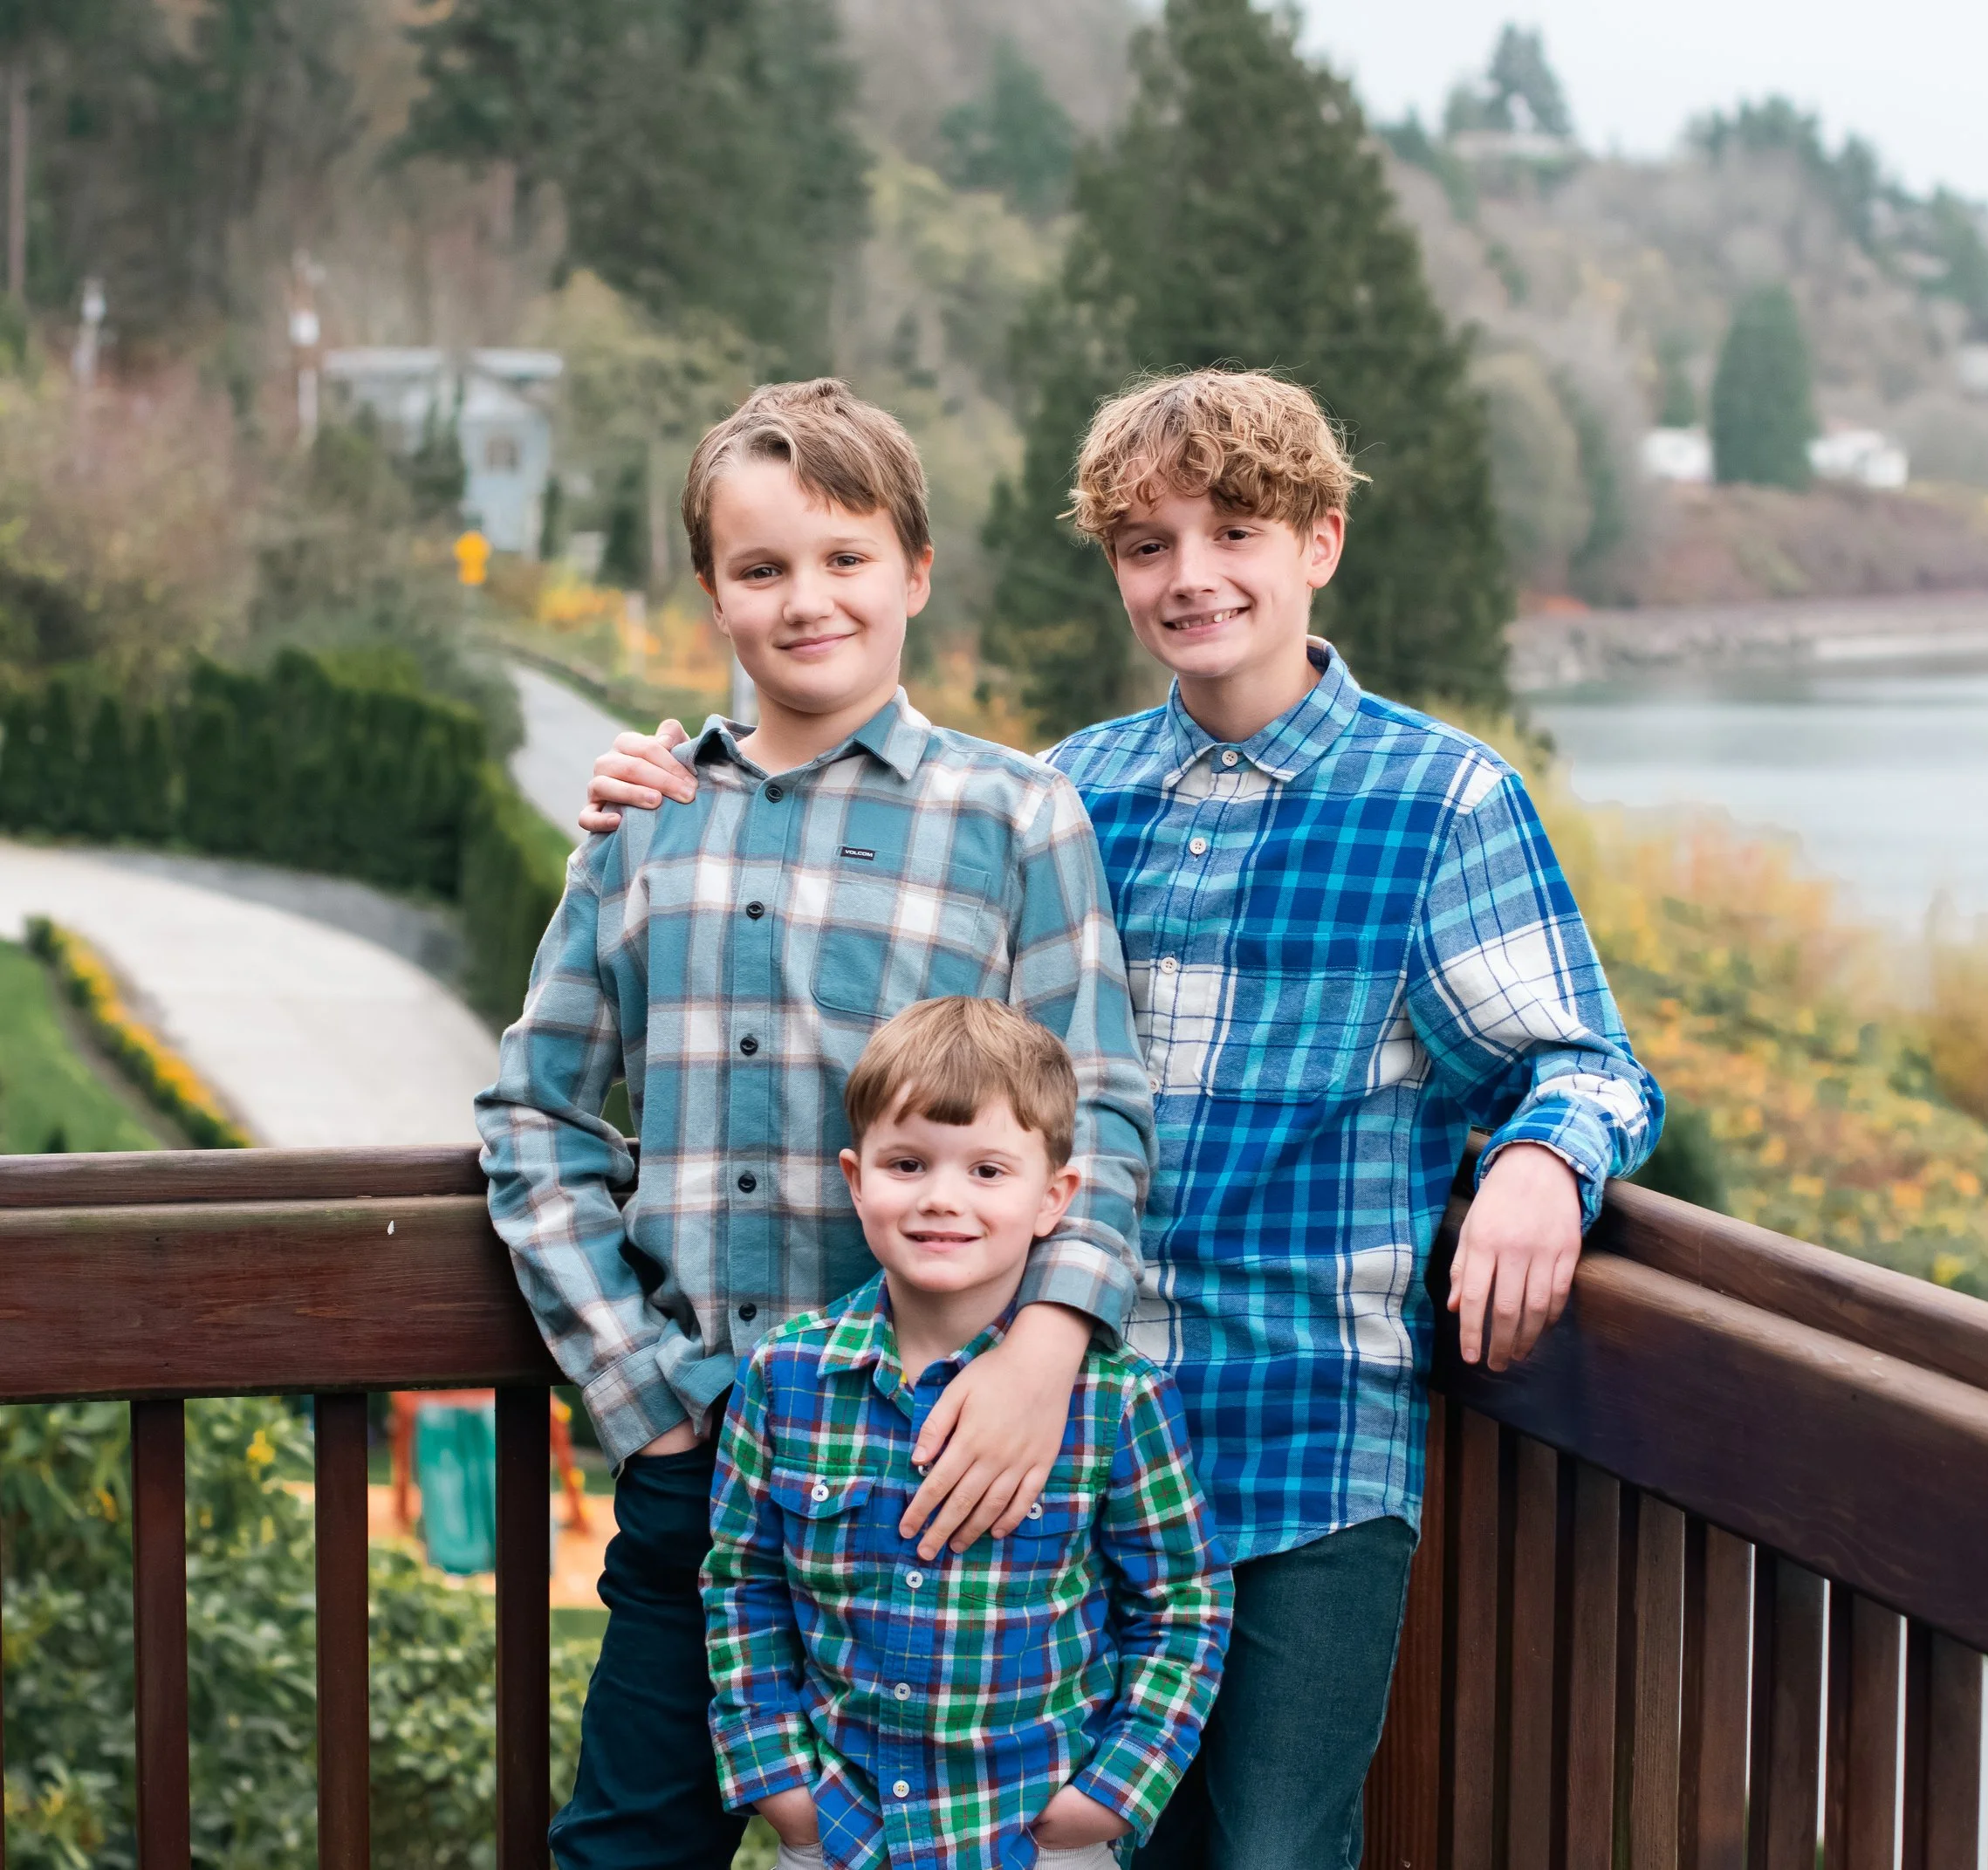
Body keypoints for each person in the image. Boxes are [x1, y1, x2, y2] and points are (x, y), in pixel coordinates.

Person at [588, 367, 1663, 1868]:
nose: (1192, 574)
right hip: (1063, 1427)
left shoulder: (1444, 799)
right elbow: (918, 967)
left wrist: (1546, 1157)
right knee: (1072, 1837)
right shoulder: (1075, 790)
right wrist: (674, 785)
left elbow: (1590, 1058)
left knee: (1274, 1843)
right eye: (1148, 544)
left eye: (1236, 531)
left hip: (1301, 1433)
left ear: (1322, 543)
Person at [476, 378, 1155, 1870]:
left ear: (915, 571)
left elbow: (1100, 1102)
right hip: (707, 1465)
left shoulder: (1014, 817)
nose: (808, 600)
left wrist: (1048, 1346)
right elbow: (533, 1116)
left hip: (954, 1475)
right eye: (763, 566)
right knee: (623, 1846)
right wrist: (641, 1387)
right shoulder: (645, 819)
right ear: (712, 590)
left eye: (847, 558)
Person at [706, 996, 1229, 1869]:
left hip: (1034, 1833)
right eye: (907, 1163)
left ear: (1053, 1197)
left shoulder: (1118, 1401)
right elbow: (740, 1586)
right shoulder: (783, 1377)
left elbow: (1184, 1607)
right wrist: (782, 1786)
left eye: (988, 1170)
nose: (942, 1198)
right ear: (856, 1177)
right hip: (842, 1831)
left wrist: (1110, 1793)